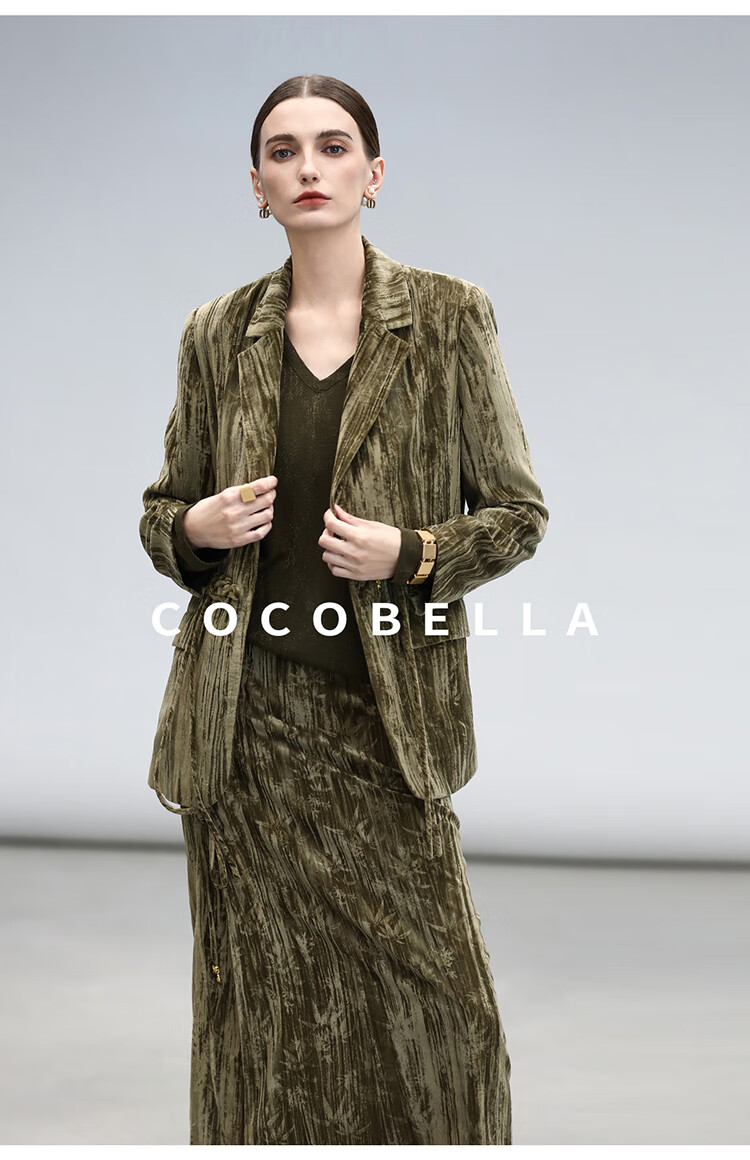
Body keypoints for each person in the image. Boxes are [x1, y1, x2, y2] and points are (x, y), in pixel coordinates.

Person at [139, 73, 549, 1146]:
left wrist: (413, 553)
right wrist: (196, 529)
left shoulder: (448, 318)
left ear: (374, 174)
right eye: (283, 152)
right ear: (257, 186)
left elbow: (518, 516)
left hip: (385, 722)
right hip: (244, 728)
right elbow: (162, 512)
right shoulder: (216, 331)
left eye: (332, 147)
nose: (308, 168)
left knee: (446, 1017)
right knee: (262, 1020)